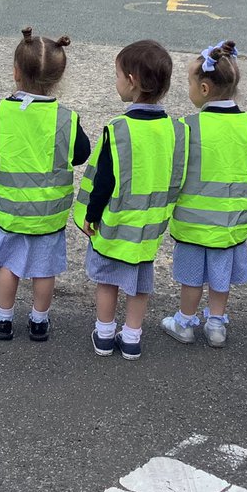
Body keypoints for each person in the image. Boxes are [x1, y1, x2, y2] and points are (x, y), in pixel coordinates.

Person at [74, 39, 186, 361]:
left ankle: (105, 334)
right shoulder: (175, 130)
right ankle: (133, 337)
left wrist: (91, 216)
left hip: (116, 225)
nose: (117, 82)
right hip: (149, 229)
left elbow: (104, 182)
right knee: (139, 284)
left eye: (118, 76)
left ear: (132, 82)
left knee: (107, 280)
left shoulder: (118, 129)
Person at [0, 27, 91, 343]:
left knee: (9, 267)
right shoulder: (66, 119)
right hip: (48, 214)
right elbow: (81, 153)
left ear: (15, 73)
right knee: (44, 271)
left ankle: (3, 319)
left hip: (10, 211)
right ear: (58, 79)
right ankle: (39, 322)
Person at [161, 41, 247, 349]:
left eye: (190, 83)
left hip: (193, 224)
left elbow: (174, 175)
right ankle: (217, 323)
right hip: (233, 224)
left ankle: (184, 322)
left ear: (205, 88)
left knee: (192, 277)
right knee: (221, 277)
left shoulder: (187, 127)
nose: (189, 89)